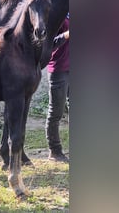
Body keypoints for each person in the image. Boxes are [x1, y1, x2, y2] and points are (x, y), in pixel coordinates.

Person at [45, 13, 69, 162]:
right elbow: (49, 44)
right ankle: (54, 151)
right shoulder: (58, 16)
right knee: (56, 112)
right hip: (59, 70)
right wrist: (66, 35)